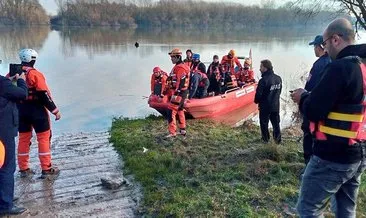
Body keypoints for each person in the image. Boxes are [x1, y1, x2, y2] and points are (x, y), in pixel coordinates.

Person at [291, 18, 366, 217]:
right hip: (357, 153)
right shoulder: (362, 65)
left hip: (332, 155)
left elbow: (314, 110)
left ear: (335, 40)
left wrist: (302, 97)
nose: (324, 48)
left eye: (324, 43)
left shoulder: (339, 68)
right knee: (345, 209)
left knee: (308, 208)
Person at [17, 49, 61, 179]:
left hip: (20, 111)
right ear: (33, 60)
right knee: (43, 138)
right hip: (37, 111)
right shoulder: (35, 75)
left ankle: (23, 168)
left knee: (23, 139)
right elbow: (44, 95)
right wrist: (55, 111)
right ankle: (46, 168)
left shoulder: (12, 74)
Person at [0, 73, 28, 215]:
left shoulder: (4, 83)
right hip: (3, 133)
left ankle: (5, 197)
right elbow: (22, 94)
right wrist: (21, 80)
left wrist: (9, 82)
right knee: (6, 167)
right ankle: (5, 205)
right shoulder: (1, 82)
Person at [301, 35, 331, 165]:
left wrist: (302, 97)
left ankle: (309, 164)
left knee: (308, 133)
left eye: (315, 46)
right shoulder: (332, 61)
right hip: (325, 110)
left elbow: (310, 86)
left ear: (321, 47)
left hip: (313, 104)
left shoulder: (319, 65)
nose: (314, 49)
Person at [254, 59, 282, 144]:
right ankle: (277, 141)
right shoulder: (278, 78)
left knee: (264, 124)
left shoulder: (263, 80)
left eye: (261, 67)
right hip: (275, 106)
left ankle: (265, 140)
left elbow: (258, 95)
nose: (259, 69)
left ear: (265, 68)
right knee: (276, 124)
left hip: (265, 107)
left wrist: (256, 101)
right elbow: (279, 91)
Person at [166, 48, 190, 138]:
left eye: (172, 57)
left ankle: (172, 132)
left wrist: (177, 93)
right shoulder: (179, 66)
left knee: (170, 110)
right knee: (180, 110)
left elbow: (182, 81)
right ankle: (183, 130)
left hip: (180, 92)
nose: (171, 58)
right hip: (183, 92)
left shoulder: (180, 68)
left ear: (178, 57)